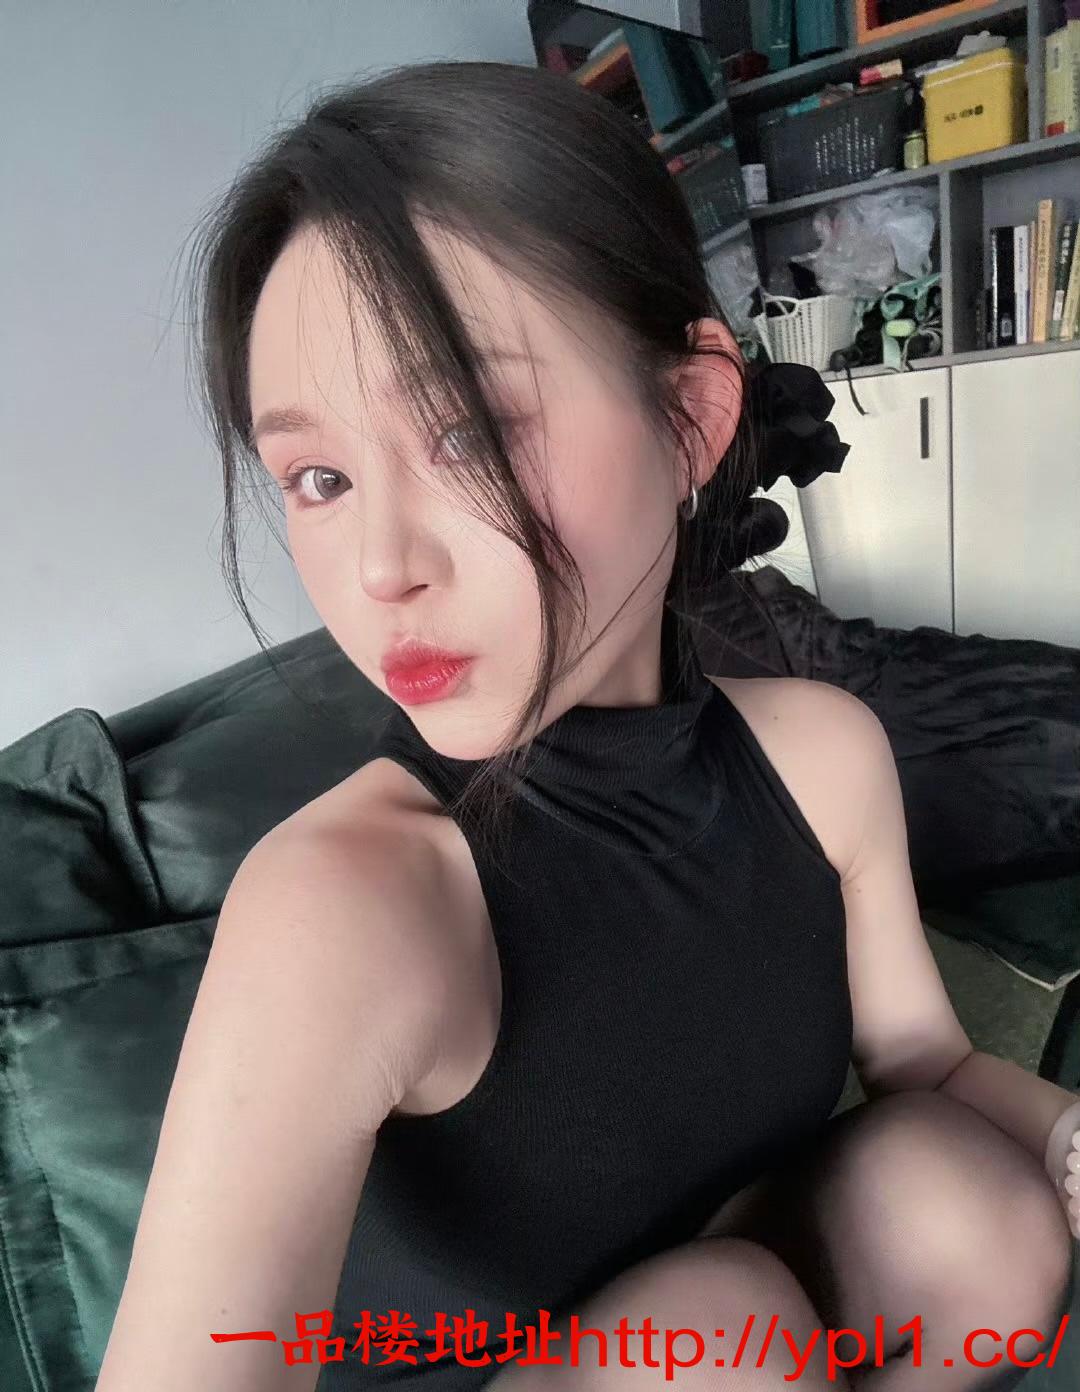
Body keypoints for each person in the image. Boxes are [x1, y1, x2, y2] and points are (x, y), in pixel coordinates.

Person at [95, 59, 1077, 1392]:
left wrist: (1065, 1135)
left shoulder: (821, 755)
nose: (381, 566)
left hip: (737, 1315)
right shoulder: (345, 902)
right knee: (724, 1337)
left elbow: (929, 1063)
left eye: (469, 434)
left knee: (974, 1217)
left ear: (691, 419)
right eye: (318, 477)